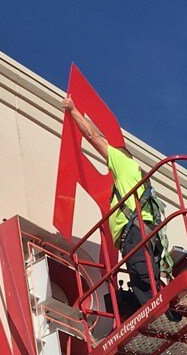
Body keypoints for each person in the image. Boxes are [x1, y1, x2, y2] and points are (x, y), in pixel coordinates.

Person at [62, 94, 164, 319]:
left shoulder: (124, 163)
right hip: (140, 235)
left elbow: (93, 136)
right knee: (143, 283)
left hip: (135, 235)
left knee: (144, 284)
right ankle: (157, 317)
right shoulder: (136, 179)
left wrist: (73, 109)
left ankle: (161, 318)